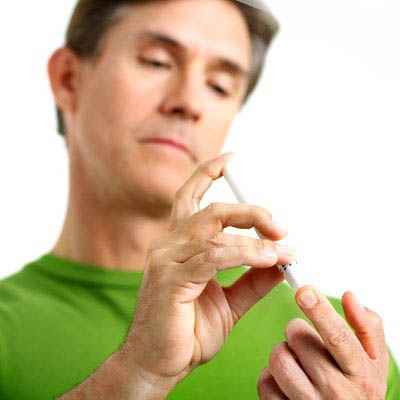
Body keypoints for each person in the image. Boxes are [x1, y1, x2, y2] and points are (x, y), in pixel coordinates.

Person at [0, 0, 398, 398]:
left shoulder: (346, 362)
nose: (188, 102)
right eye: (156, 62)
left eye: (219, 86)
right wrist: (137, 375)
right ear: (68, 79)